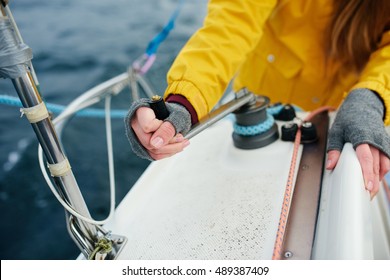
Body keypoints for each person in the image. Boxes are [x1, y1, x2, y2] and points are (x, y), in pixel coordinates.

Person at [125, 0, 390, 199]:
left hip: (351, 118)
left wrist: (371, 98)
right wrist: (184, 101)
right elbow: (231, 24)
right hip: (260, 109)